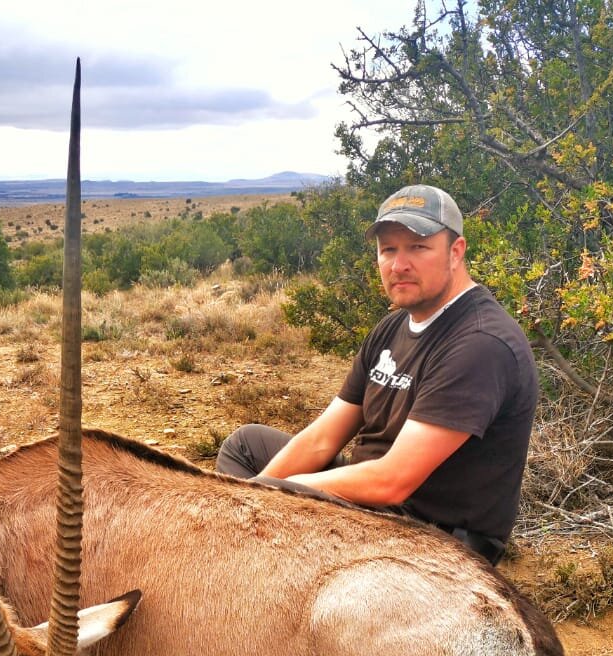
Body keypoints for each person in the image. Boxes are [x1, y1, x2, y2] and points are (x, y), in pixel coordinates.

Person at [216, 184, 538, 565]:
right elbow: (322, 439)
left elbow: (393, 480)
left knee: (263, 499)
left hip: (430, 536)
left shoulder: (481, 343)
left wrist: (276, 494)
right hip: (371, 506)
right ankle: (247, 558)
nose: (399, 264)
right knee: (246, 446)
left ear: (456, 252)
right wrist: (252, 498)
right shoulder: (392, 328)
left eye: (418, 247)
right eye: (388, 249)